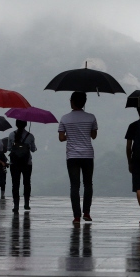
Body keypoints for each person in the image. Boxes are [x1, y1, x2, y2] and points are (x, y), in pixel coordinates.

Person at [58, 91, 98, 224]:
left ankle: (76, 216)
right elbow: (93, 136)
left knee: (74, 186)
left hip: (72, 156)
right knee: (88, 184)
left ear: (72, 101)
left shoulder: (64, 118)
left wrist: (70, 133)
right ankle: (86, 212)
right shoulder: (91, 117)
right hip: (87, 154)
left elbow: (61, 138)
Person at [8, 120, 37, 213]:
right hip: (27, 163)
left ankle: (16, 205)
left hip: (14, 163)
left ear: (16, 124)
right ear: (26, 124)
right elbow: (33, 149)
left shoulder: (11, 135)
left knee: (15, 184)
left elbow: (8, 148)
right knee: (27, 183)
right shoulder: (30, 136)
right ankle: (26, 204)